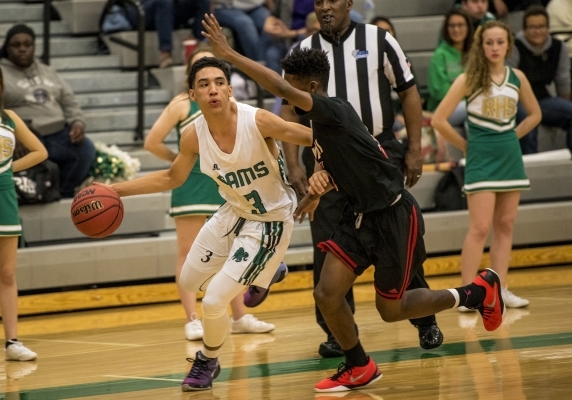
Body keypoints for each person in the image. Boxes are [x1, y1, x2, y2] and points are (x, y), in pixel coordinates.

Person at [201, 15, 506, 392]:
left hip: (393, 215)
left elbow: (278, 85)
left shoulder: (333, 110)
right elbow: (340, 168)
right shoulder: (323, 129)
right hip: (358, 217)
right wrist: (316, 189)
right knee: (327, 294)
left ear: (311, 88)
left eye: (293, 91)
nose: (286, 98)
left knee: (390, 311)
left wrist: (229, 53)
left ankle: (477, 292)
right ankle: (359, 364)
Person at [108, 55, 312, 391]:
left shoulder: (256, 120)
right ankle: (267, 269)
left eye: (219, 83)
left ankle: (208, 360)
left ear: (230, 90)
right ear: (192, 95)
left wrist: (342, 153)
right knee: (189, 280)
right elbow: (172, 177)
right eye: (204, 84)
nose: (213, 89)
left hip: (271, 220)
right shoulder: (192, 136)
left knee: (215, 300)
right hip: (233, 213)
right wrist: (115, 190)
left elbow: (306, 135)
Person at [274, 0, 443, 358]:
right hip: (324, 157)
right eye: (318, 1)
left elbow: (409, 91)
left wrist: (413, 148)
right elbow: (287, 109)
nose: (325, 6)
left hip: (377, 151)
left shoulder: (379, 39)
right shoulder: (303, 50)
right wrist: (294, 163)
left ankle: (425, 318)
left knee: (398, 242)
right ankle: (339, 333)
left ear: (349, 2)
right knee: (328, 245)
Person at [143, 43, 279, 340]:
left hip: (223, 180)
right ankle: (192, 318)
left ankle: (239, 316)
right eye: (202, 74)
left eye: (215, 75)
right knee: (188, 251)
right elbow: (152, 142)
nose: (211, 84)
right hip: (191, 182)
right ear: (192, 82)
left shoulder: (230, 109)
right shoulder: (181, 105)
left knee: (231, 249)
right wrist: (183, 162)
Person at [431, 21, 541, 311]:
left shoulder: (517, 77)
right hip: (481, 159)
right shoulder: (469, 78)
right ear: (481, 46)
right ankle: (468, 294)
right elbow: (440, 119)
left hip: (510, 158)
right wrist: (466, 145)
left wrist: (512, 136)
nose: (494, 48)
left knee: (505, 226)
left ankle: (501, 289)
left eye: (500, 42)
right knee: (479, 228)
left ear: (508, 45)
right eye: (489, 42)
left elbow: (535, 114)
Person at [0, 58, 47, 366]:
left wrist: (6, 169)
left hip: (4, 198)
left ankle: (12, 342)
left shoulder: (10, 118)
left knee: (6, 274)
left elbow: (40, 151)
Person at [0, 24, 96, 199]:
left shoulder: (48, 71)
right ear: (7, 48)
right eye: (16, 45)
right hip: (25, 133)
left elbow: (69, 100)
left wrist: (77, 122)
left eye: (27, 44)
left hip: (58, 133)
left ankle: (61, 194)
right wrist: (11, 134)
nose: (22, 49)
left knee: (85, 150)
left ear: (34, 46)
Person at [507, 5, 572, 155]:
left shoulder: (558, 47)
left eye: (541, 26)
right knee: (527, 117)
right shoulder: (515, 47)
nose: (537, 31)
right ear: (524, 29)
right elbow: (508, 82)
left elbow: (562, 81)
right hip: (517, 100)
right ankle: (530, 164)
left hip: (542, 99)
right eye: (532, 27)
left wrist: (562, 105)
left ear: (548, 28)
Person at [427, 9, 474, 135]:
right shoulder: (440, 55)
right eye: (452, 25)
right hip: (442, 109)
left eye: (460, 25)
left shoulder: (474, 54)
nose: (456, 29)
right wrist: (466, 93)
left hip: (467, 107)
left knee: (471, 120)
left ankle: (474, 153)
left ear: (468, 27)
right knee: (473, 109)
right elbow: (439, 91)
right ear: (446, 29)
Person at [125, 0, 211, 68]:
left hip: (171, 7)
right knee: (164, 1)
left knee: (203, 1)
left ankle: (202, 48)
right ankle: (165, 53)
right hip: (139, 8)